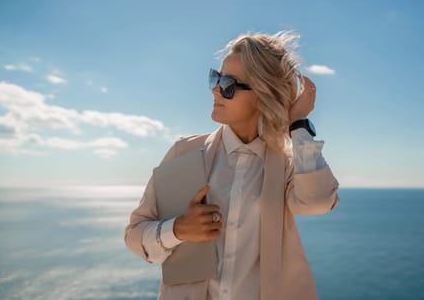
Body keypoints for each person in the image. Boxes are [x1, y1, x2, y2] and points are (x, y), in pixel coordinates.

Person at [124, 30, 341, 300]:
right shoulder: (185, 153)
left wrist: (298, 126)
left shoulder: (286, 164)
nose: (215, 89)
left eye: (227, 84)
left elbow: (318, 201)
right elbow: (135, 235)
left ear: (262, 95)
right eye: (215, 77)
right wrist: (178, 230)